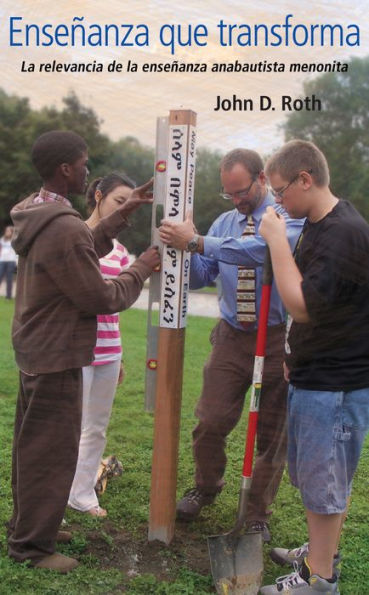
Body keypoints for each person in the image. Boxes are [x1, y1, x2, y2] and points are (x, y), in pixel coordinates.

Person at [7, 131, 160, 573]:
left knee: (33, 446)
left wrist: (123, 212)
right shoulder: (64, 225)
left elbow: (79, 248)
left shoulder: (42, 213)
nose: (88, 170)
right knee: (50, 453)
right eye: (85, 164)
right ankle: (31, 548)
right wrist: (141, 267)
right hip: (56, 354)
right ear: (66, 170)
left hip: (40, 349)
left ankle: (32, 527)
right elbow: (100, 298)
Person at [159, 148, 304, 541]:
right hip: (231, 337)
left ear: (261, 179)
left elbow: (256, 252)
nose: (237, 200)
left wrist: (198, 241)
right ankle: (206, 487)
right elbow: (205, 271)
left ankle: (257, 513)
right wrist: (177, 257)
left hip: (275, 338)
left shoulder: (284, 218)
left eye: (241, 191)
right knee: (210, 420)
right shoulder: (224, 222)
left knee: (271, 433)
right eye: (229, 194)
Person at [258, 140, 369, 594]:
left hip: (336, 384)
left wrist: (274, 238)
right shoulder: (318, 223)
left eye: (280, 192)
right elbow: (321, 309)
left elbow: (301, 304)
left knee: (325, 483)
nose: (278, 203)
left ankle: (318, 580)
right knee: (315, 477)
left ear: (306, 179)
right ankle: (321, 552)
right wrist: (292, 355)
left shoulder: (343, 232)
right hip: (314, 373)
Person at [68, 173, 135, 517]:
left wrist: (119, 358)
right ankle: (57, 492)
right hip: (76, 353)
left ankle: (82, 494)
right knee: (68, 427)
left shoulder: (121, 253)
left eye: (129, 206)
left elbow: (116, 310)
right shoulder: (74, 238)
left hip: (109, 354)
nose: (124, 211)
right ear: (98, 196)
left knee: (96, 427)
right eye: (118, 202)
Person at [0, 225, 18, 299]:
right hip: (2, 261)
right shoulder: (2, 240)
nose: (7, 232)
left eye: (9, 231)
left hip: (11, 261)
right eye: (6, 231)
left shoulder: (14, 241)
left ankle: (8, 296)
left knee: (9, 279)